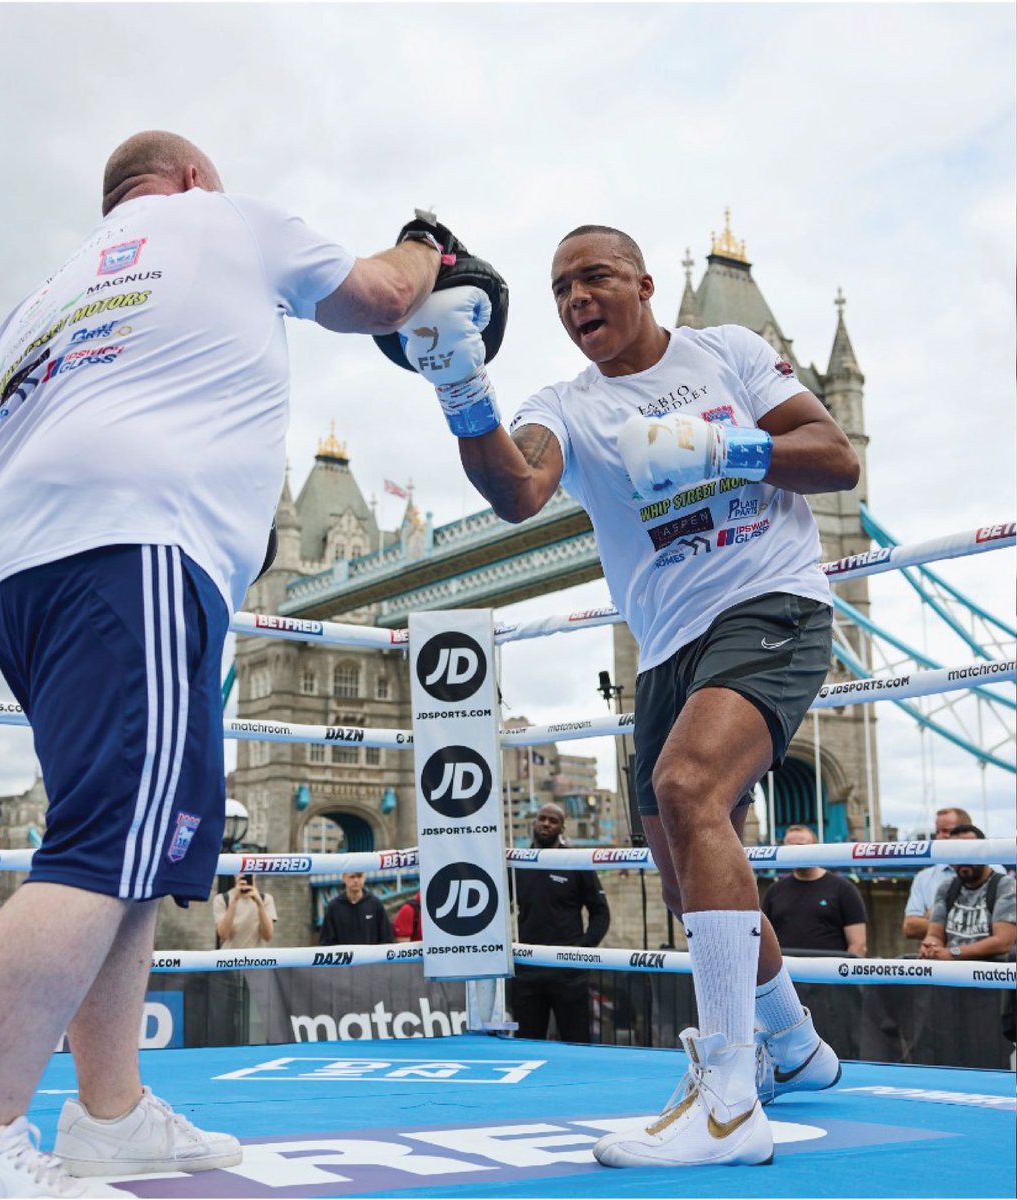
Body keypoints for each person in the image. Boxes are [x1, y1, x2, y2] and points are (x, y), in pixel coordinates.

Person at [0, 130, 444, 1200]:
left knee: (138, 849)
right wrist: (431, 248)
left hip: (28, 573)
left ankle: (110, 1115)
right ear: (193, 178)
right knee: (104, 843)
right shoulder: (219, 220)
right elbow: (382, 294)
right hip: (137, 545)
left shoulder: (41, 298)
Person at [394, 224, 859, 1167]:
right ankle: (795, 1046)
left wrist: (722, 451)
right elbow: (520, 491)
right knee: (685, 859)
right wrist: (461, 390)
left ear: (645, 283)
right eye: (561, 288)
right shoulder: (564, 403)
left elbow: (836, 457)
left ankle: (729, 1098)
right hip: (668, 646)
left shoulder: (724, 352)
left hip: (772, 599)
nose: (575, 300)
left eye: (595, 277)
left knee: (691, 789)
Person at [511, 803, 610, 1042]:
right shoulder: (517, 862)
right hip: (528, 970)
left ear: (562, 828)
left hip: (568, 973)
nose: (546, 823)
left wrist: (580, 950)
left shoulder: (575, 862)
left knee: (576, 1044)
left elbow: (600, 913)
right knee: (527, 1044)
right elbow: (496, 905)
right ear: (534, 823)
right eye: (542, 818)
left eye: (553, 820)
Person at [761, 825, 867, 956]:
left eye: (801, 846)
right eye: (789, 847)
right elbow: (763, 941)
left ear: (816, 848)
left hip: (828, 973)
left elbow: (858, 945)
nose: (795, 852)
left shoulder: (844, 889)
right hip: (787, 973)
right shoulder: (774, 891)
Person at [919, 825, 1016, 962]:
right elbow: (935, 935)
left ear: (984, 853)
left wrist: (953, 953)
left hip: (990, 975)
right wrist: (930, 947)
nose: (963, 859)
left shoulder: (1005, 885)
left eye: (970, 852)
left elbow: (1002, 942)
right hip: (952, 974)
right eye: (956, 853)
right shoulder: (947, 887)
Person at [903, 806, 973, 942]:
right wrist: (969, 923)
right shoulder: (923, 877)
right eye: (938, 832)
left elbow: (1000, 926)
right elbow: (910, 927)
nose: (940, 837)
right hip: (937, 958)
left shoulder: (994, 870)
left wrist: (935, 917)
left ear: (967, 832)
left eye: (947, 831)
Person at [319, 873, 393, 945]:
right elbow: (326, 941)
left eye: (359, 876)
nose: (356, 880)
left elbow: (386, 937)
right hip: (345, 957)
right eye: (352, 877)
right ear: (343, 878)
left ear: (364, 877)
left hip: (370, 956)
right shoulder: (334, 907)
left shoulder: (375, 904)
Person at [213, 874, 276, 948]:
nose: (244, 875)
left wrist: (259, 904)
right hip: (229, 957)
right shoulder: (222, 899)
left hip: (256, 958)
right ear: (234, 874)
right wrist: (235, 899)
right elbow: (223, 934)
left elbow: (267, 936)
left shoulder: (266, 899)